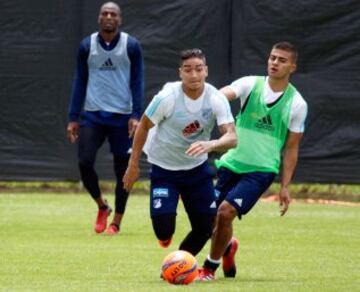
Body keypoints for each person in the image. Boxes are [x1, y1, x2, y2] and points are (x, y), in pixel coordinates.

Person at [197, 41, 308, 280]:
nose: (275, 63)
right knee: (207, 219)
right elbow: (224, 94)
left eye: (281, 60)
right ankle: (227, 247)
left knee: (225, 212)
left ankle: (208, 269)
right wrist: (211, 99)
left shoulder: (296, 103)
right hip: (231, 163)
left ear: (293, 67)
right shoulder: (250, 84)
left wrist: (285, 186)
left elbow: (291, 148)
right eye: (272, 57)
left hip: (261, 170)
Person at [123, 49, 237, 256]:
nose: (193, 75)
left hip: (196, 170)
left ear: (206, 71)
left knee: (205, 226)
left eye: (198, 69)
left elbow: (232, 137)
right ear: (180, 73)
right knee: (163, 230)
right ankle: (170, 214)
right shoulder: (167, 97)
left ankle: (177, 263)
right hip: (164, 170)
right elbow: (143, 127)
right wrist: (133, 165)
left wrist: (210, 145)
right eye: (188, 70)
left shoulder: (216, 98)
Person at [67, 2, 144, 235]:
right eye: (105, 13)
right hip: (93, 114)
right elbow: (79, 81)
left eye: (113, 14)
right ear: (99, 18)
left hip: (122, 117)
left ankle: (117, 221)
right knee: (84, 161)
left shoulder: (130, 45)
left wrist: (135, 115)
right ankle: (102, 206)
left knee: (124, 170)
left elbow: (137, 80)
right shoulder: (86, 46)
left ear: (119, 19)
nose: (109, 17)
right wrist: (73, 117)